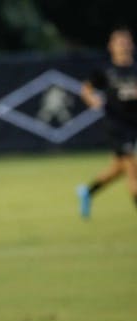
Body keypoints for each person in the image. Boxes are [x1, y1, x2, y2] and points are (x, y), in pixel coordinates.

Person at [76, 27, 137, 218]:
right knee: (133, 168)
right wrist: (91, 99)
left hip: (135, 125)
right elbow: (85, 89)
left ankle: (88, 191)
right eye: (118, 42)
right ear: (111, 46)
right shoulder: (105, 71)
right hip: (117, 126)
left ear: (132, 45)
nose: (122, 45)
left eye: (126, 41)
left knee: (120, 167)